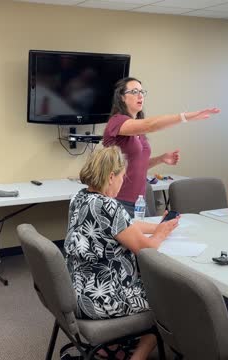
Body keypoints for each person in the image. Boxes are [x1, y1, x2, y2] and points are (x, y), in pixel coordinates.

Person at [64, 146, 179, 360]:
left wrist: (158, 227)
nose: (122, 182)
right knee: (171, 296)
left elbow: (126, 226)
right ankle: (138, 357)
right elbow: (148, 250)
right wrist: (161, 234)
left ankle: (112, 347)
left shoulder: (79, 198)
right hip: (102, 299)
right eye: (121, 177)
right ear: (110, 176)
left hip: (75, 292)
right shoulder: (109, 206)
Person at [103, 77, 220, 215]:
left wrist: (161, 159)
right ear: (122, 97)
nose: (140, 95)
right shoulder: (117, 122)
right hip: (118, 202)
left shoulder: (138, 129)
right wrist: (184, 117)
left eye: (142, 91)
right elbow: (151, 125)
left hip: (139, 203)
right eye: (134, 91)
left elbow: (136, 166)